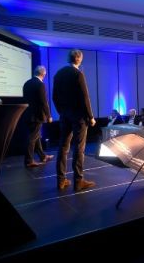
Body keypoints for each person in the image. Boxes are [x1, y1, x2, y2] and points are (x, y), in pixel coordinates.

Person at [53, 49, 96, 191]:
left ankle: (60, 180)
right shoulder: (78, 74)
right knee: (79, 148)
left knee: (63, 147)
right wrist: (90, 116)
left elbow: (54, 97)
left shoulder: (58, 74)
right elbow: (85, 97)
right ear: (78, 59)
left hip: (65, 115)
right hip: (79, 117)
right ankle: (78, 181)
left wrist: (62, 111)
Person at [22, 65, 54, 168]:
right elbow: (43, 102)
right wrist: (49, 115)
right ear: (43, 74)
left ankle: (43, 156)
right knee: (32, 137)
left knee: (37, 137)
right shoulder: (40, 84)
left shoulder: (26, 83)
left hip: (27, 114)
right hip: (37, 116)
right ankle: (28, 160)